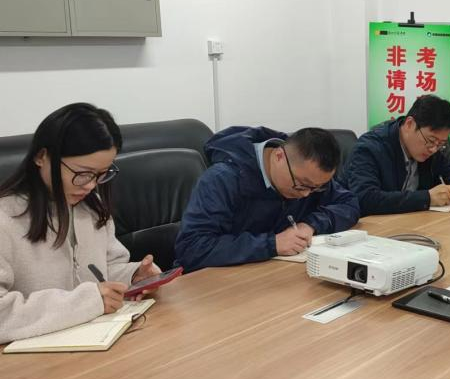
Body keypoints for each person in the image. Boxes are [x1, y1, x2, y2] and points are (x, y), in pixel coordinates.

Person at [0, 103, 161, 345]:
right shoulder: (5, 218)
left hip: (94, 341)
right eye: (82, 173)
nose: (91, 185)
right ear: (41, 157)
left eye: (101, 174)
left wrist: (133, 277)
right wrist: (87, 302)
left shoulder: (91, 206)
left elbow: (101, 271)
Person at [174, 126, 359, 272]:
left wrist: (311, 225)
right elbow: (192, 249)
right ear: (279, 156)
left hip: (269, 275)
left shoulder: (309, 179)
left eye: (317, 188)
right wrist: (272, 244)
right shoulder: (223, 179)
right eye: (302, 185)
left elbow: (349, 203)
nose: (306, 194)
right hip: (213, 285)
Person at [344, 95, 450, 215]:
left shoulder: (432, 146)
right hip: (371, 225)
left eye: (440, 144)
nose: (434, 149)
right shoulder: (370, 148)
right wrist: (426, 198)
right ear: (409, 124)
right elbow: (365, 198)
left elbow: (447, 169)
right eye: (431, 141)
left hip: (413, 221)